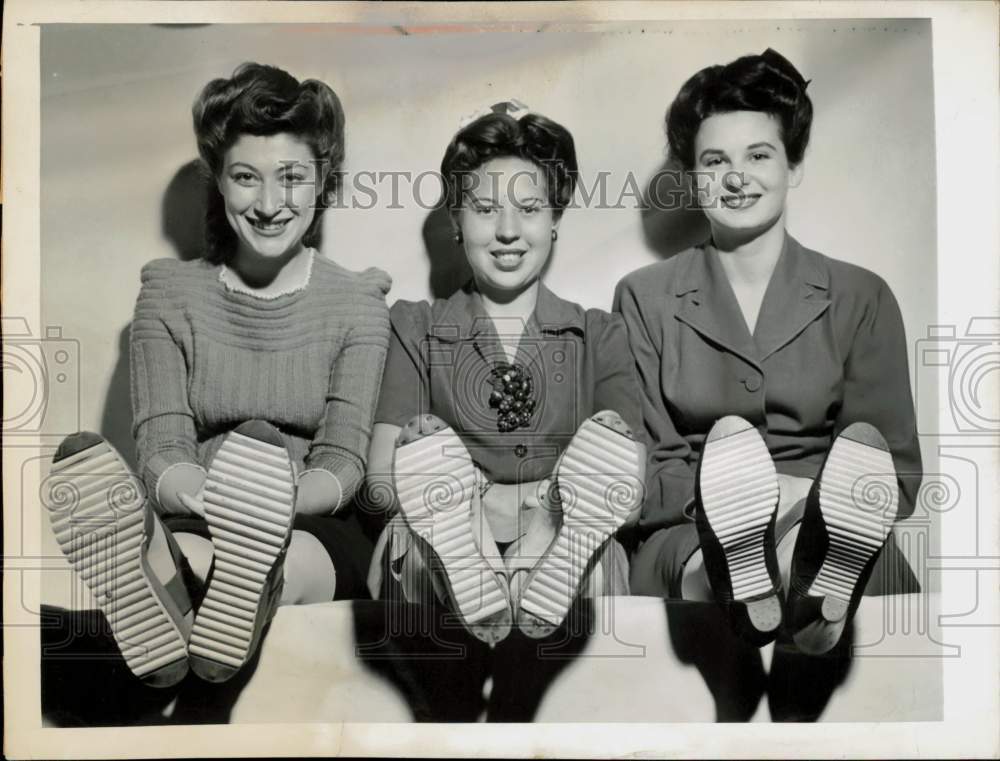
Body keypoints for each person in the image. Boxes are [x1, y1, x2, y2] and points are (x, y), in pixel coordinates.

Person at [44, 62, 390, 686]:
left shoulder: (357, 301)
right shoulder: (168, 295)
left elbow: (342, 463)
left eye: (291, 178)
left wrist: (273, 505)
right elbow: (162, 449)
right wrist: (205, 497)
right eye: (245, 178)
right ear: (219, 183)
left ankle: (221, 585)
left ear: (322, 181)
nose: (267, 204)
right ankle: (171, 575)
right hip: (201, 516)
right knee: (198, 549)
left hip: (313, 524)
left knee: (293, 556)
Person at [615, 49, 922, 654]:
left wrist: (793, 500)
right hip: (691, 532)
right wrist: (727, 503)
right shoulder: (643, 298)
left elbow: (896, 471)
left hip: (831, 522)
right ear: (691, 175)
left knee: (824, 543)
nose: (736, 177)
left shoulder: (861, 295)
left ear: (794, 166)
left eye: (759, 155)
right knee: (710, 559)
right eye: (714, 161)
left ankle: (803, 573)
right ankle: (776, 592)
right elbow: (648, 469)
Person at [364, 101, 645, 645]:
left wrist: (542, 511)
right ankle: (469, 554)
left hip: (565, 541)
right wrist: (471, 506)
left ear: (556, 218)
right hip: (438, 550)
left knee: (594, 536)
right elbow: (381, 482)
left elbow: (626, 495)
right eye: (485, 210)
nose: (509, 231)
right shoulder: (415, 327)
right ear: (455, 219)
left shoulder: (601, 336)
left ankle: (546, 545)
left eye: (530, 209)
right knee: (411, 533)